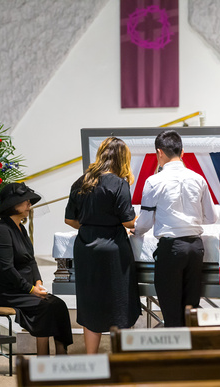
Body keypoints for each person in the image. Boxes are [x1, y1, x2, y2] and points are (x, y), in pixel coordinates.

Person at [133, 130, 218, 327]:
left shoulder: (154, 181)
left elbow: (144, 222)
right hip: (196, 249)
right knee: (191, 311)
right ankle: (192, 355)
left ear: (159, 153)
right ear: (182, 152)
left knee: (172, 312)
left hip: (171, 250)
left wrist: (135, 230)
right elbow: (212, 217)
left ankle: (175, 355)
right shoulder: (198, 179)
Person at [65, 137, 141, 354]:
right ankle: (122, 358)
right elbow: (128, 221)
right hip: (113, 250)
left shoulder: (81, 181)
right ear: (122, 159)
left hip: (86, 249)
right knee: (121, 305)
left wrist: (90, 225)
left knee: (91, 305)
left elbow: (69, 219)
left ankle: (92, 360)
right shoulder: (119, 183)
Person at [0, 182, 72, 355]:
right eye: (25, 201)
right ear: (11, 205)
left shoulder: (20, 229)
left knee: (59, 305)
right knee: (46, 307)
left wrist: (38, 282)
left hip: (24, 290)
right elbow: (6, 268)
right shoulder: (1, 231)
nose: (29, 204)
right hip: (7, 292)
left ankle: (62, 356)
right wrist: (31, 289)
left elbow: (30, 261)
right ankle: (43, 360)